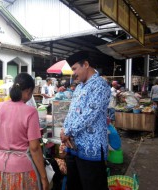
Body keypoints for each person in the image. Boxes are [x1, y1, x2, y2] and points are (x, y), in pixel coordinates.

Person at [60, 51, 111, 190]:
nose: (73, 74)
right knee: (74, 185)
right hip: (74, 148)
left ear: (86, 64)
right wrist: (64, 129)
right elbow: (71, 111)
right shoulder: (79, 87)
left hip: (91, 151)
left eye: (75, 69)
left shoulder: (100, 85)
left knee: (92, 186)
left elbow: (90, 113)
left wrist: (68, 131)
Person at [0, 73, 49, 190]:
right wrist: (43, 177)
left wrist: (5, 152)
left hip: (0, 166)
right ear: (27, 91)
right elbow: (35, 148)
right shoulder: (30, 111)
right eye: (31, 93)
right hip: (22, 169)